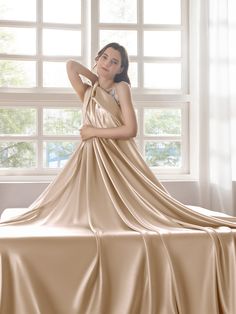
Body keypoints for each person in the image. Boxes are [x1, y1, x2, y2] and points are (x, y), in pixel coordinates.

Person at [1, 42, 236, 314]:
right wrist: (96, 78)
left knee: (131, 216)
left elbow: (130, 129)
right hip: (90, 159)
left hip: (118, 158)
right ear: (96, 59)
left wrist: (92, 131)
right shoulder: (89, 92)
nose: (107, 64)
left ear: (122, 68)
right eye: (103, 58)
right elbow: (70, 65)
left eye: (114, 62)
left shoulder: (120, 89)